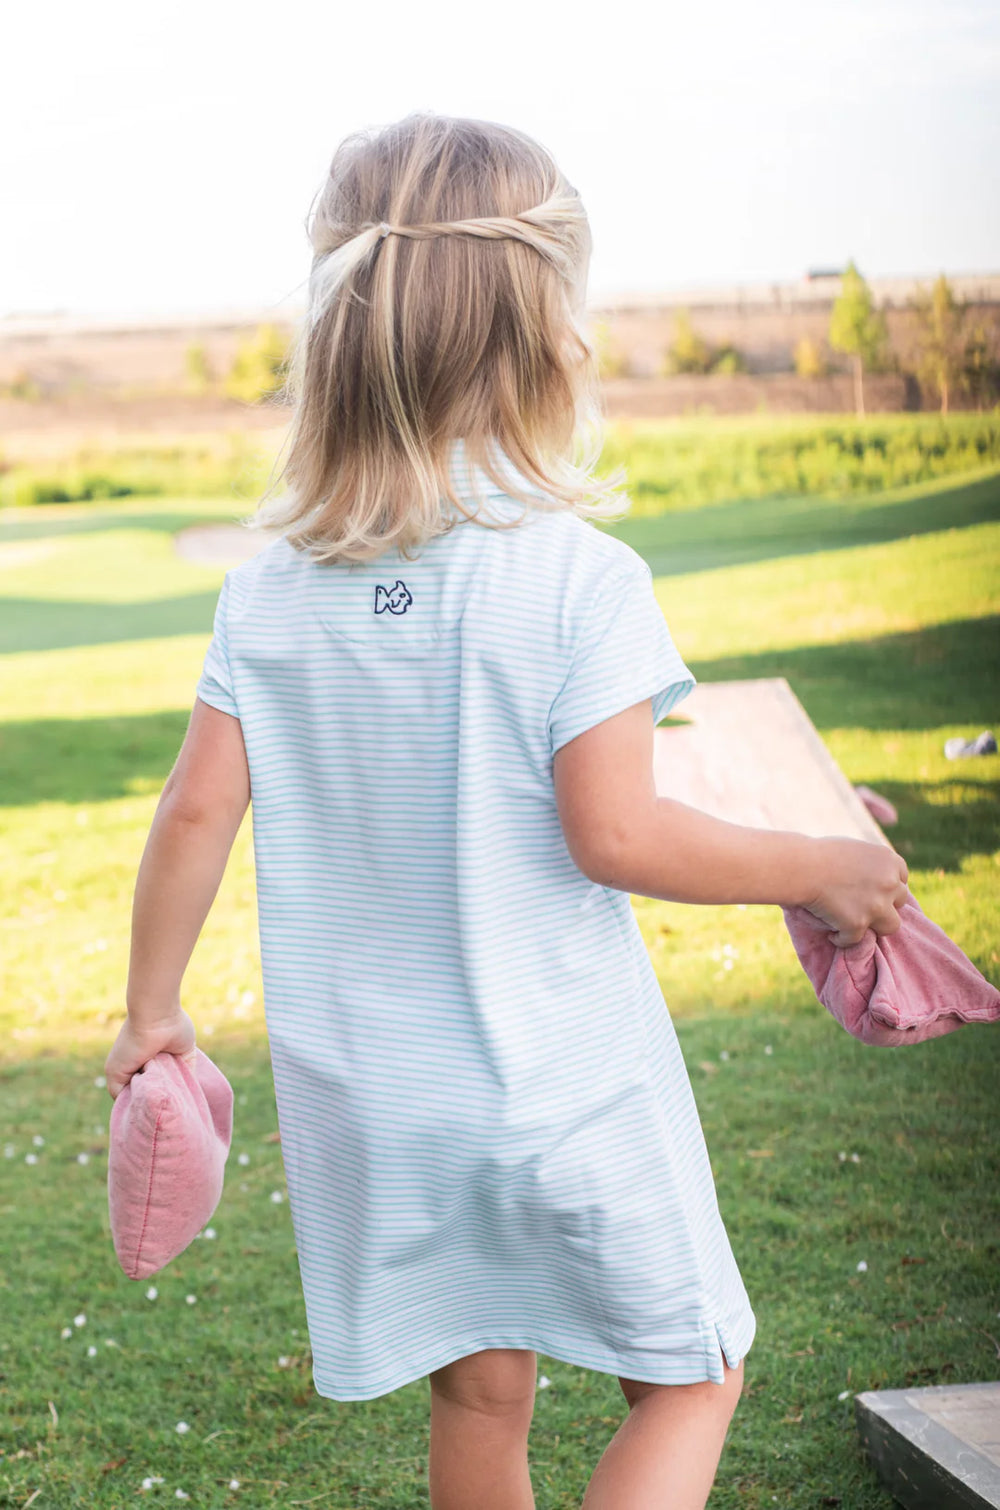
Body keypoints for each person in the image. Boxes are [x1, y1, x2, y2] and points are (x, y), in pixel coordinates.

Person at [104, 113, 910, 1510]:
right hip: (558, 1087)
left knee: (482, 1396)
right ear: (545, 335)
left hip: (380, 1107)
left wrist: (150, 1011)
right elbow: (617, 832)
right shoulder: (576, 580)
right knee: (695, 1371)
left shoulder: (270, 591)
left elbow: (191, 816)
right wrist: (822, 866)